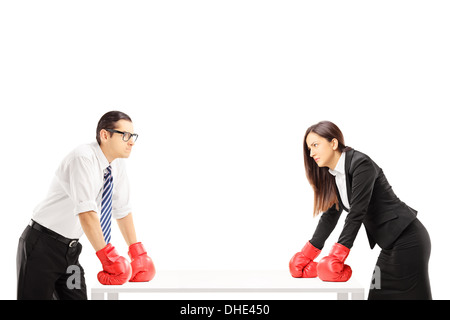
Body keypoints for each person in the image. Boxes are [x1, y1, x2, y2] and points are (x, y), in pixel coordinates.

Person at [16, 111, 155, 300]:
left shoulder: (116, 165)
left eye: (133, 136)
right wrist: (107, 258)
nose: (131, 142)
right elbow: (87, 212)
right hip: (42, 246)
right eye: (125, 135)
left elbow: (122, 210)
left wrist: (137, 252)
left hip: (70, 252)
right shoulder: (83, 158)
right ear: (105, 135)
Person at [289, 121, 432, 300]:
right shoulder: (336, 175)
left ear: (333, 143)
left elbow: (357, 212)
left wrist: (337, 256)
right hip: (390, 246)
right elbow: (330, 216)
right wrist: (307, 254)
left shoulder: (361, 164)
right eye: (309, 148)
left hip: (408, 240)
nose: (311, 153)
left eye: (315, 145)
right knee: (377, 294)